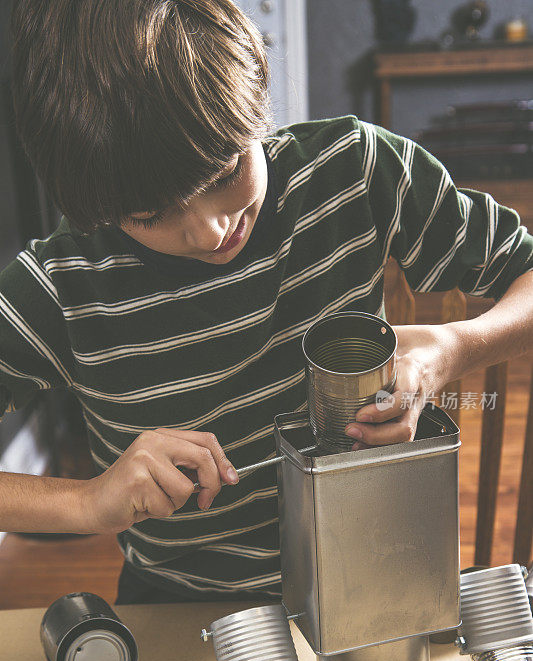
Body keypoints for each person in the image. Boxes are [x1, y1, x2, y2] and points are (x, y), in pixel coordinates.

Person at [4, 0, 532, 604]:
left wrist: (457, 347)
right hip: (183, 611)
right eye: (150, 215)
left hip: (373, 574)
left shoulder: (354, 175)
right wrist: (86, 502)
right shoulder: (60, 284)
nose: (208, 232)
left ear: (254, 95)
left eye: (224, 170)